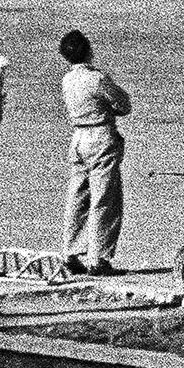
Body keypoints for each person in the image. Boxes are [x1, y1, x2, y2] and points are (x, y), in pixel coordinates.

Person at [57, 30, 133, 275]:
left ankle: (71, 252)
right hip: (100, 136)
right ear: (88, 50)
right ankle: (98, 258)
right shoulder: (97, 79)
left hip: (78, 137)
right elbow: (123, 105)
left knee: (78, 196)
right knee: (105, 198)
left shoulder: (67, 80)